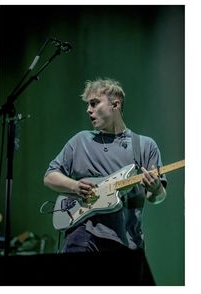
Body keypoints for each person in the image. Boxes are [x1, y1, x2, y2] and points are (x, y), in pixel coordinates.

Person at [43, 78, 167, 284]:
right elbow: (49, 176)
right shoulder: (80, 140)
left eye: (94, 103)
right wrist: (74, 185)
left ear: (115, 104)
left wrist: (154, 188)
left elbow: (157, 197)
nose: (88, 110)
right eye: (87, 105)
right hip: (84, 233)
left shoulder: (144, 145)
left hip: (127, 240)